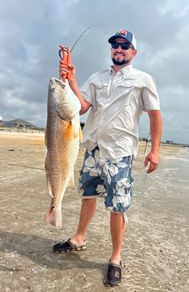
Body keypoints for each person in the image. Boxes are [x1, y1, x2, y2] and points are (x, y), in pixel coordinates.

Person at [53, 29, 162, 287]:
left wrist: (155, 149)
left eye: (125, 45)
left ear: (134, 52)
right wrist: (71, 81)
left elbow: (155, 115)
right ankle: (79, 237)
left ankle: (115, 257)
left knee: (117, 206)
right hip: (94, 147)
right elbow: (81, 107)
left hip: (120, 152)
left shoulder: (143, 79)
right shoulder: (97, 78)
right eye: (115, 45)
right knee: (88, 195)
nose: (119, 49)